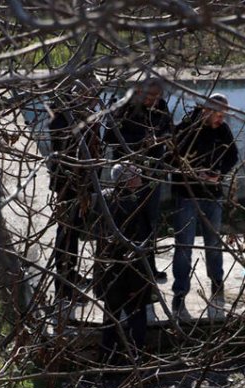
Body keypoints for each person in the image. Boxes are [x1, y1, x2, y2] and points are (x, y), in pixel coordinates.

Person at [169, 93, 239, 319]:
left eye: (224, 114)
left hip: (212, 193)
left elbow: (233, 155)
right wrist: (192, 173)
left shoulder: (223, 130)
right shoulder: (185, 128)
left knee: (213, 241)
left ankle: (216, 281)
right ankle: (180, 291)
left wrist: (219, 174)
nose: (222, 118)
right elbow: (171, 160)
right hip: (186, 194)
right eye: (218, 113)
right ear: (206, 110)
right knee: (184, 244)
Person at [103, 78, 173, 281]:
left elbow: (169, 129)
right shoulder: (123, 107)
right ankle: (124, 265)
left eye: (157, 97)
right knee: (127, 220)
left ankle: (148, 267)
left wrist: (162, 138)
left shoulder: (160, 107)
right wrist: (140, 142)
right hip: (128, 175)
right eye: (150, 96)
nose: (154, 101)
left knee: (150, 222)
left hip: (151, 175)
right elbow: (110, 137)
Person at [94, 163, 155, 364]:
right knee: (137, 319)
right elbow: (139, 245)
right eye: (136, 174)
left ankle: (106, 360)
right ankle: (138, 360)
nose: (140, 176)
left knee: (110, 321)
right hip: (129, 275)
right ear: (127, 180)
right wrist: (139, 283)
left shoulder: (104, 198)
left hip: (108, 273)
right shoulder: (134, 204)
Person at [47, 80, 101, 302]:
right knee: (66, 235)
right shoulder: (64, 117)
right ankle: (64, 287)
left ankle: (70, 275)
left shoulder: (85, 115)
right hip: (68, 185)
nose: (95, 100)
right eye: (91, 95)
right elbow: (61, 139)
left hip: (83, 185)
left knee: (73, 234)